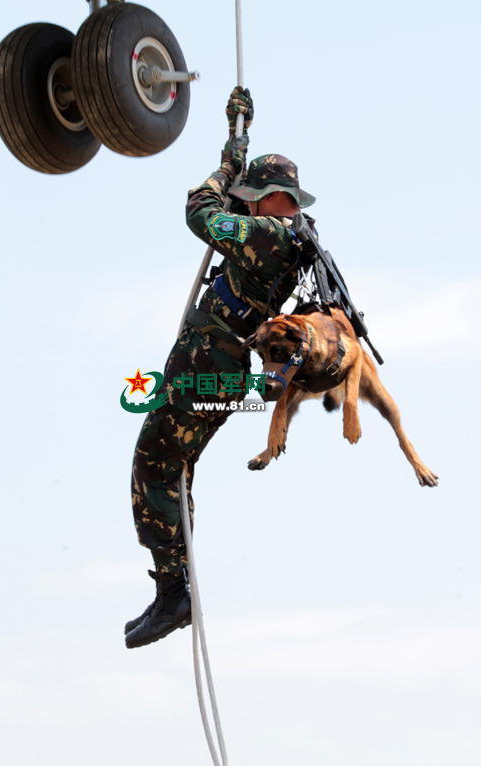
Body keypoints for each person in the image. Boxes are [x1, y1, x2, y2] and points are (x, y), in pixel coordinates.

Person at [125, 87, 317, 649]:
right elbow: (229, 215)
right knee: (173, 466)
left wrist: (230, 163)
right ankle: (173, 589)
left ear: (268, 198)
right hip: (218, 372)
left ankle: (173, 593)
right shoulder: (284, 236)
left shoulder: (270, 234)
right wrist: (237, 138)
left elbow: (201, 212)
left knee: (154, 462)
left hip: (207, 371)